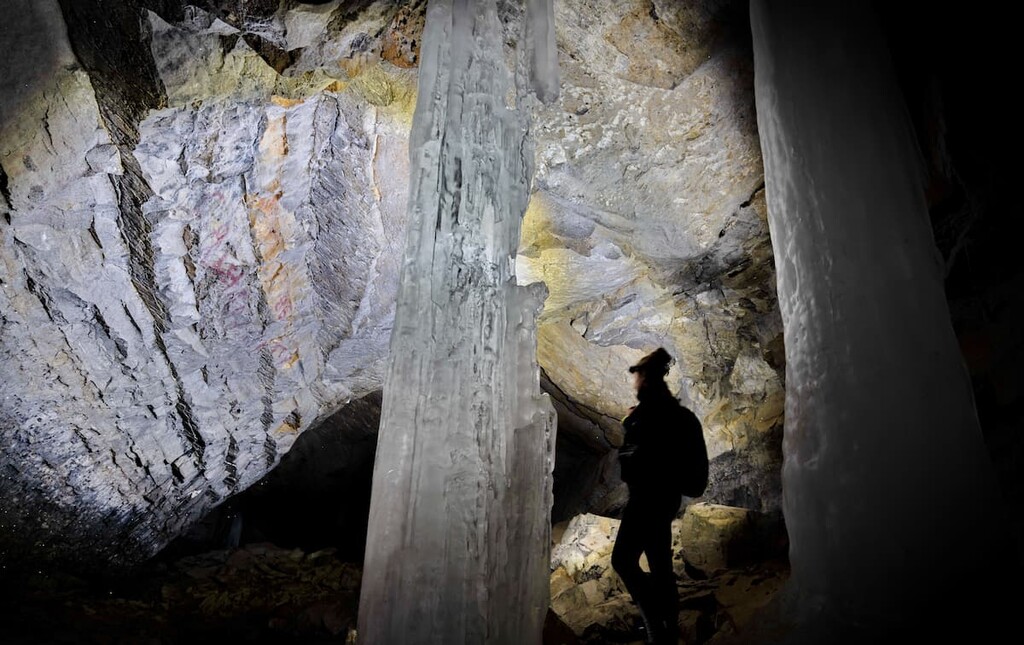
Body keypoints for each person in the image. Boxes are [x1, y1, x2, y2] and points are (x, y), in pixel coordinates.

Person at [611, 347, 705, 644]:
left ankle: (656, 629)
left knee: (623, 560)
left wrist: (631, 426)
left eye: (637, 378)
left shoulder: (649, 416)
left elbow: (635, 460)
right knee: (660, 563)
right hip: (665, 500)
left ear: (647, 380)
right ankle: (669, 627)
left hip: (646, 500)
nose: (634, 384)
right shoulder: (676, 415)